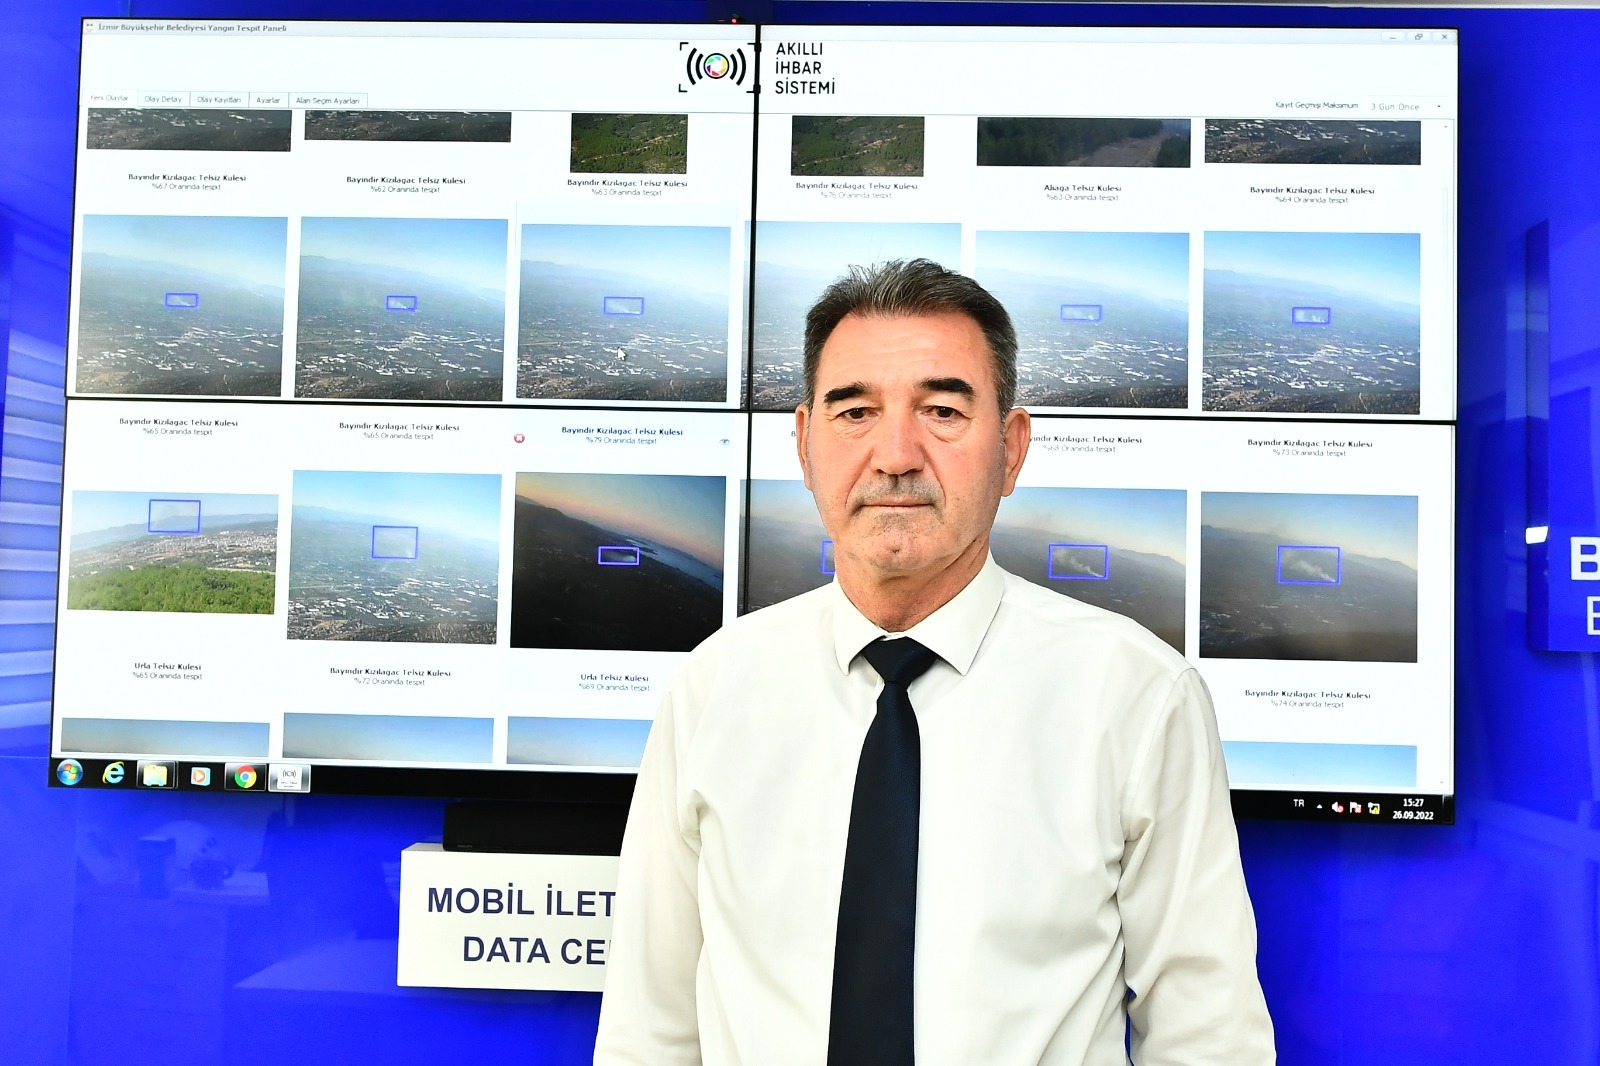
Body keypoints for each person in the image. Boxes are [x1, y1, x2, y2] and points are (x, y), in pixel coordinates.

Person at [594, 259, 1274, 1065]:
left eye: (943, 411)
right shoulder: (714, 689)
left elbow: (1208, 1038)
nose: (895, 454)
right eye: (855, 412)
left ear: (1011, 450)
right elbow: (650, 1030)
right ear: (804, 445)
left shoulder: (1136, 695)